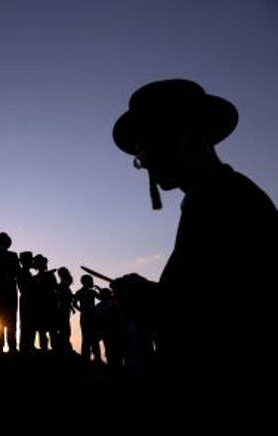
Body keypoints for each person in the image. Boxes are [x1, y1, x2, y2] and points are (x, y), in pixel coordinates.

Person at [111, 79, 278, 382]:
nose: (142, 162)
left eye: (145, 147)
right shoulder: (217, 196)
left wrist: (142, 298)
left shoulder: (225, 202)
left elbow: (219, 319)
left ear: (184, 138)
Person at [73, 275, 101, 362]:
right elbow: (74, 302)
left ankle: (91, 358)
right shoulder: (87, 292)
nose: (92, 283)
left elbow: (74, 303)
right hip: (88, 317)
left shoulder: (84, 292)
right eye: (91, 281)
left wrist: (80, 310)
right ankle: (92, 358)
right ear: (86, 282)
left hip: (90, 316)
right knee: (90, 338)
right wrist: (81, 310)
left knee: (90, 338)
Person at [31, 255, 57, 350]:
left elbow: (54, 288)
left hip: (50, 304)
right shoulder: (35, 278)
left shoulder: (50, 275)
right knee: (42, 329)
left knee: (52, 328)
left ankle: (54, 347)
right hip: (40, 305)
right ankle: (44, 347)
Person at [17, 251, 36, 352]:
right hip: (26, 300)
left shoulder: (26, 272)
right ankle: (26, 347)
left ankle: (28, 346)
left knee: (29, 324)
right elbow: (24, 288)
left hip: (28, 299)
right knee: (27, 324)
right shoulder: (23, 272)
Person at [55, 267, 75, 352]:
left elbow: (66, 298)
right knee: (64, 328)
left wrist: (71, 307)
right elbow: (63, 298)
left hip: (64, 308)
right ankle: (64, 346)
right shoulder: (63, 285)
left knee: (64, 328)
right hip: (62, 309)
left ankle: (64, 345)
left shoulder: (64, 285)